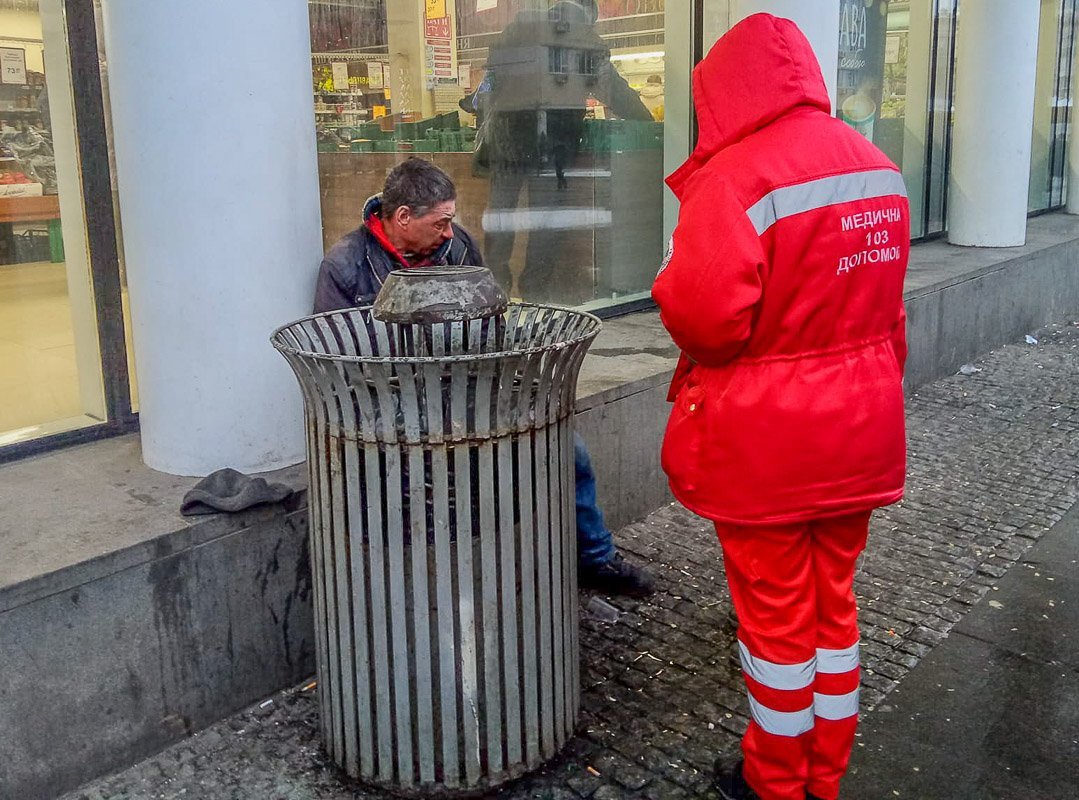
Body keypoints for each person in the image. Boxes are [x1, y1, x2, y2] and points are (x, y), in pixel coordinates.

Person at [652, 15, 909, 800]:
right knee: (834, 614)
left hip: (767, 446)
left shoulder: (735, 178)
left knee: (775, 627)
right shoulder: (878, 168)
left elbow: (704, 323)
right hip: (860, 432)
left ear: (725, 92)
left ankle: (773, 783)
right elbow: (890, 316)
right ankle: (820, 780)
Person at [314, 157, 654, 597]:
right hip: (393, 409)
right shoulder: (346, 266)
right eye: (440, 223)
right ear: (402, 217)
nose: (450, 233)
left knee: (569, 450)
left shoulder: (457, 249)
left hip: (470, 389)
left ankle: (594, 557)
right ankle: (417, 589)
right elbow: (335, 357)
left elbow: (488, 321)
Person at [460, 0, 653, 303]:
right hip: (551, 147)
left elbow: (487, 88)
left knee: (500, 218)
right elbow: (613, 91)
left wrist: (481, 105)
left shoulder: (514, 32)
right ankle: (535, 293)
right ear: (589, 14)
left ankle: (494, 290)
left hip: (505, 143)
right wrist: (647, 120)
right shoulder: (584, 40)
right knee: (546, 222)